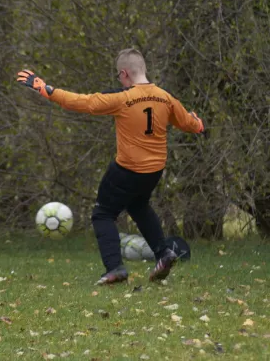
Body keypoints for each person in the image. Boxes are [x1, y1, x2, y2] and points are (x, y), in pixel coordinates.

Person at [17, 48, 204, 285]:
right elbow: (188, 122)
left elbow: (82, 102)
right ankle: (164, 253)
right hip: (154, 170)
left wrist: (45, 89)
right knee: (139, 206)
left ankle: (115, 268)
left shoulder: (122, 99)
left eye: (119, 76)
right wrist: (198, 125)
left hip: (127, 169)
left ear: (124, 73)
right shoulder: (166, 98)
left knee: (102, 214)